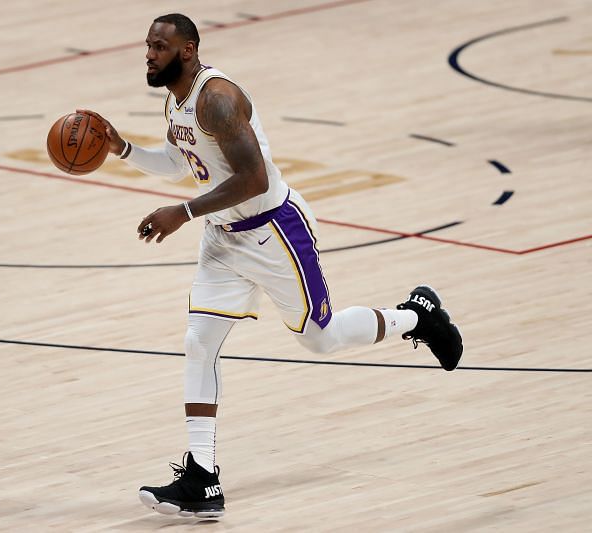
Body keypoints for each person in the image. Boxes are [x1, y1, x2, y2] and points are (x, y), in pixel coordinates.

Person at [79, 13, 463, 519]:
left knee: (320, 338)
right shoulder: (175, 100)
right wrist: (122, 149)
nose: (148, 54)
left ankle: (418, 315)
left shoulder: (217, 98)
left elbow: (254, 178)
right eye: (147, 45)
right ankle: (203, 477)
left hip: (274, 230)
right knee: (199, 343)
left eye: (158, 46)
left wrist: (184, 212)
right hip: (224, 239)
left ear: (188, 50)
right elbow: (182, 164)